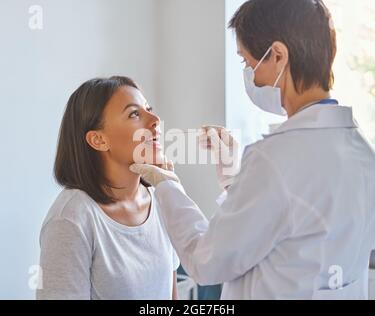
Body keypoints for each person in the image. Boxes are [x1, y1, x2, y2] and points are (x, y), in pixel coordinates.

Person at [130, 0, 375, 299]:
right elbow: (293, 229)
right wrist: (237, 181)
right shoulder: (362, 153)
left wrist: (168, 186)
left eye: (248, 63)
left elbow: (207, 262)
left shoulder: (276, 157)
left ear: (278, 55)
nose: (251, 76)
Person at [37, 76, 179, 300]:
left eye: (149, 109)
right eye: (134, 114)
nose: (155, 120)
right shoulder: (71, 219)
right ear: (98, 140)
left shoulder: (162, 200)